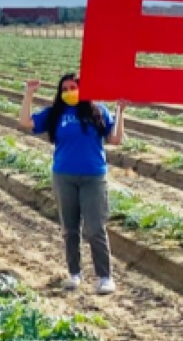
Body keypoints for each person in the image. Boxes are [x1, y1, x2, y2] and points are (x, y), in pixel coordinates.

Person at [19, 73, 126, 295]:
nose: (69, 92)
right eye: (65, 89)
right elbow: (25, 122)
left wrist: (120, 111)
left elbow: (115, 139)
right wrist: (29, 94)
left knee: (96, 228)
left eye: (74, 87)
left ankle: (104, 277)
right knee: (69, 229)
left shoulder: (97, 111)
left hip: (94, 177)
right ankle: (74, 274)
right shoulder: (55, 114)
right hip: (64, 177)